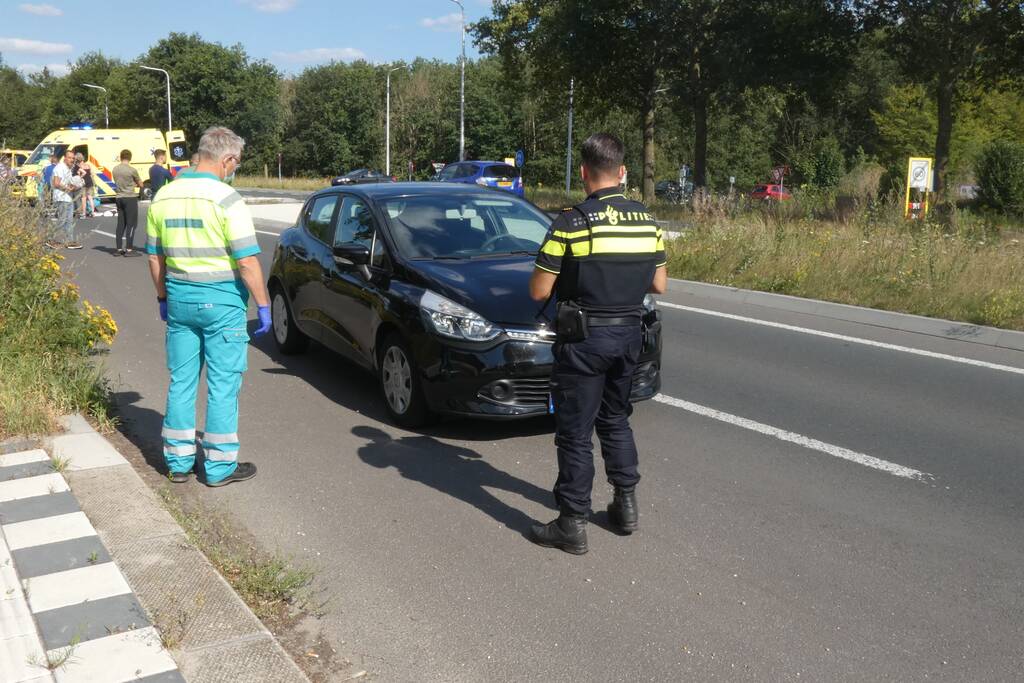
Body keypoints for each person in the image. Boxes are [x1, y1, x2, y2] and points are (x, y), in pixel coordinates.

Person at [527, 132, 667, 555]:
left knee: (574, 431)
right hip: (629, 336)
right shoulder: (647, 222)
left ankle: (572, 522)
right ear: (622, 172)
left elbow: (538, 292)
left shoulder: (571, 222)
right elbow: (659, 283)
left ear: (584, 172)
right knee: (616, 418)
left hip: (584, 339)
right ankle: (625, 507)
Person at [146, 125, 270, 487]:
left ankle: (178, 462)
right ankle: (218, 467)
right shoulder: (227, 199)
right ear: (227, 159)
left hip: (180, 300)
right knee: (223, 384)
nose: (235, 169)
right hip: (223, 305)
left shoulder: (164, 196)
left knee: (181, 380)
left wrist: (163, 298)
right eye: (236, 163)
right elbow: (247, 262)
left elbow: (155, 259)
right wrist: (263, 306)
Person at [112, 149, 143, 256]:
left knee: (121, 223)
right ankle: (129, 249)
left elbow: (118, 182)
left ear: (121, 157)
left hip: (119, 197)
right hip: (130, 197)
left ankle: (118, 249)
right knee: (131, 224)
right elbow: (141, 184)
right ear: (130, 158)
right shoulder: (132, 170)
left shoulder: (115, 169)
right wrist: (135, 184)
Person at [50, 149, 83, 249]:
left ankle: (69, 241)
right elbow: (56, 183)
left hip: (67, 197)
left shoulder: (68, 168)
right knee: (62, 220)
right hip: (61, 197)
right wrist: (68, 188)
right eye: (69, 157)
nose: (72, 160)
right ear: (65, 158)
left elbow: (67, 182)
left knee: (69, 220)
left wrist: (76, 185)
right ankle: (53, 240)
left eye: (73, 158)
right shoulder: (60, 167)